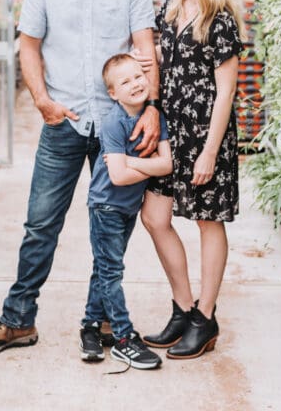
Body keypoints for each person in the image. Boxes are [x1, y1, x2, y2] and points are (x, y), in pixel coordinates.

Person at [0, 0, 160, 358]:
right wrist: (41, 100)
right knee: (40, 225)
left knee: (112, 226)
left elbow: (146, 51)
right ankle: (17, 321)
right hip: (65, 122)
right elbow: (28, 46)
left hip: (117, 126)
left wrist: (150, 106)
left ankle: (101, 319)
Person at [140, 0, 244, 360]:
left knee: (207, 221)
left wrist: (209, 152)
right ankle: (183, 307)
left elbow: (226, 93)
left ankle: (205, 316)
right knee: (154, 216)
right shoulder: (171, 2)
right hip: (172, 131)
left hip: (206, 136)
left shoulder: (221, 20)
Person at [82, 53, 172, 371]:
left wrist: (132, 162)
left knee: (105, 268)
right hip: (106, 206)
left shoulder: (155, 119)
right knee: (111, 272)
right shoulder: (113, 122)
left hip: (128, 208)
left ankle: (90, 327)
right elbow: (117, 178)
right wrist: (144, 167)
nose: (135, 84)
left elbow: (167, 164)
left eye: (138, 76)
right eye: (125, 81)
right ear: (112, 93)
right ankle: (122, 338)